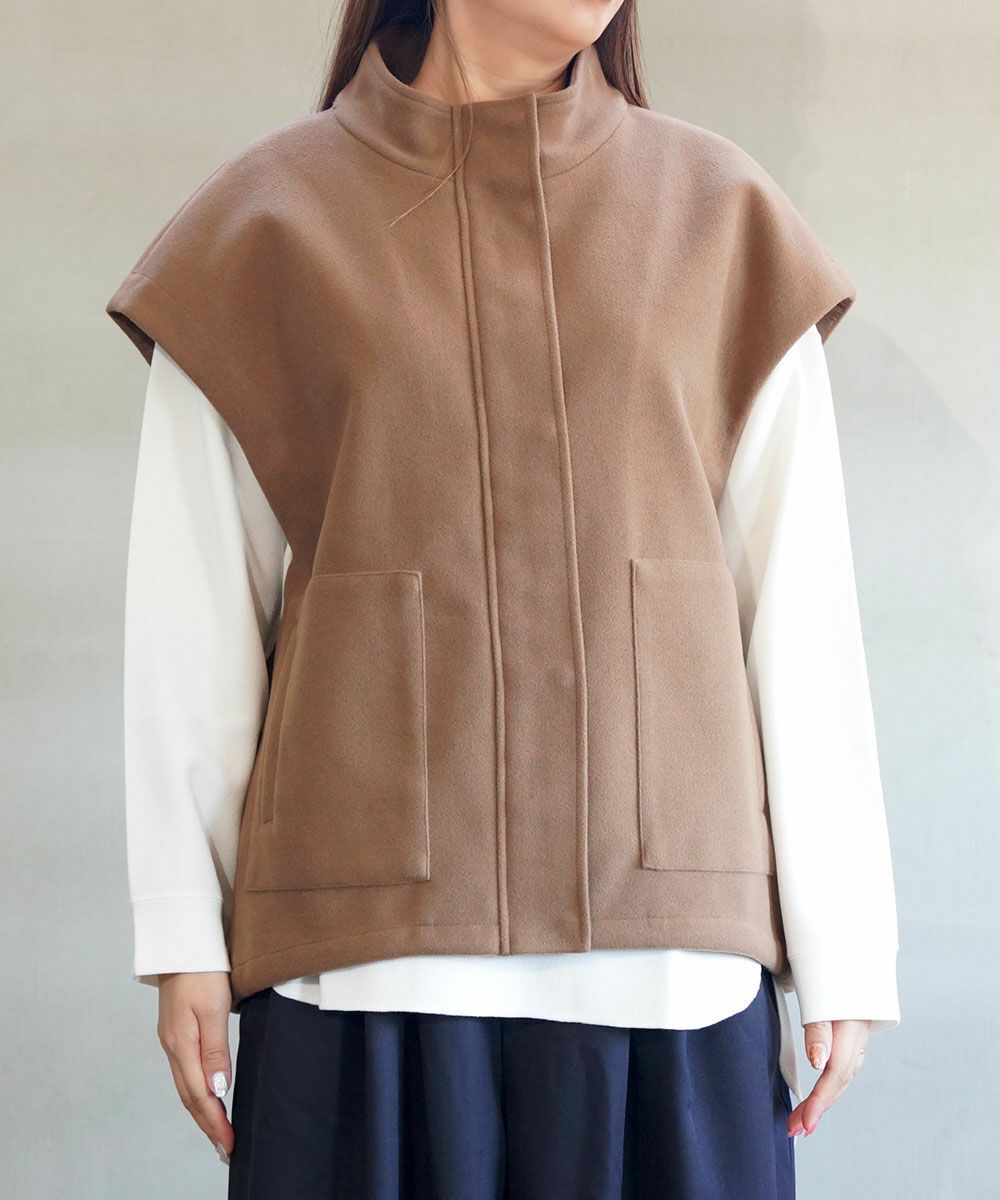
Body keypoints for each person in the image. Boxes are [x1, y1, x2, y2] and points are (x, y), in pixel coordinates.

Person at [108, 2, 901, 1197]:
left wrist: (840, 937)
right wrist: (182, 929)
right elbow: (195, 610)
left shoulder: (718, 217)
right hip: (363, 975)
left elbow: (793, 597)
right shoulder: (266, 226)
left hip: (670, 979)